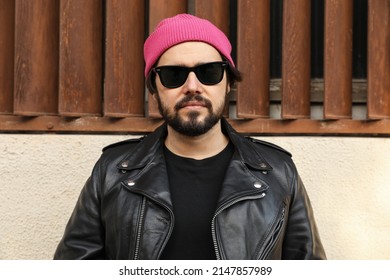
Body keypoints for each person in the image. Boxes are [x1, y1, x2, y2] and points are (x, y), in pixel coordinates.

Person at [54, 13, 326, 260]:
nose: (192, 87)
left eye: (209, 72)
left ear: (228, 82)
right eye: (174, 75)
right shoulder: (113, 172)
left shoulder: (278, 173)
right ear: (154, 88)